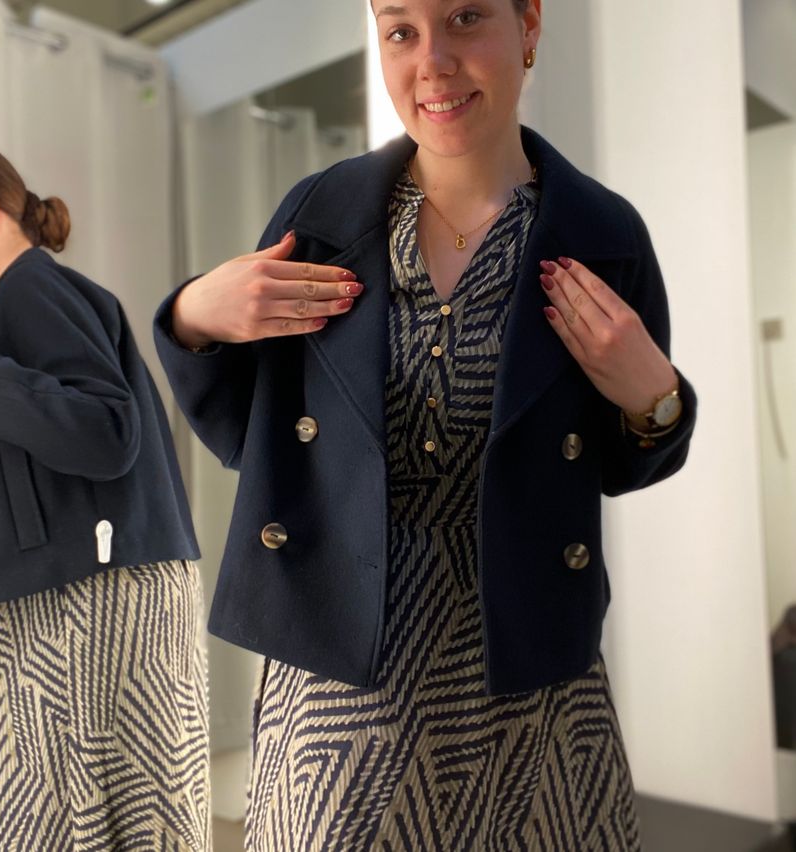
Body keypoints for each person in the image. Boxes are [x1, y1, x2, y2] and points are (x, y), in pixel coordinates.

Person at [156, 0, 696, 848]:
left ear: (529, 26)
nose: (432, 61)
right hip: (340, 675)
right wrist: (192, 318)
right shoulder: (322, 216)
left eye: (467, 18)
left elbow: (633, 461)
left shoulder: (606, 236)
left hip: (531, 679)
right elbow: (246, 437)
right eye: (401, 30)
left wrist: (652, 393)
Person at [0, 139, 210, 850]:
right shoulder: (27, 299)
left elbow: (102, 432)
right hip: (86, 597)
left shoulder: (29, 290)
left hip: (87, 606)